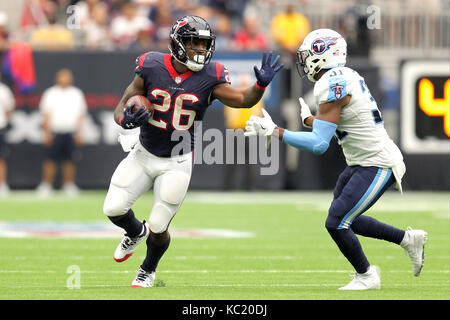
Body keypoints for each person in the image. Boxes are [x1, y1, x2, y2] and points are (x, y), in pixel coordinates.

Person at [102, 15, 282, 287]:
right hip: (144, 152)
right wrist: (125, 120)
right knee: (113, 208)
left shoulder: (211, 76)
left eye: (203, 44)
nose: (199, 49)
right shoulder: (151, 65)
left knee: (160, 225)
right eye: (193, 43)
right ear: (176, 43)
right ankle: (136, 231)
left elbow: (244, 100)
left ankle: (147, 270)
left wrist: (260, 86)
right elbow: (124, 103)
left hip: (177, 160)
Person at [244, 29, 427, 290]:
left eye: (308, 55)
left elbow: (319, 144)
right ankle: (408, 240)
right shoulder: (343, 76)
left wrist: (276, 131)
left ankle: (367, 276)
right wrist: (309, 120)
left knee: (337, 222)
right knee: (344, 217)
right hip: (361, 162)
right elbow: (335, 122)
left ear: (323, 55)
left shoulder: (331, 83)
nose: (304, 61)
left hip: (377, 162)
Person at [36, 69, 87, 196]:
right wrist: (47, 133)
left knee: (69, 160)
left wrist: (79, 133)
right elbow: (45, 115)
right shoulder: (50, 93)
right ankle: (47, 185)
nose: (64, 79)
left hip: (70, 132)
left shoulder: (77, 94)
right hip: (55, 131)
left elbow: (81, 115)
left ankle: (69, 185)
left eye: (67, 76)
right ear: (57, 78)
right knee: (50, 160)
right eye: (62, 76)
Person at [0, 78, 15, 196]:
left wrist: (4, 121)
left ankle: (2, 184)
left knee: (1, 157)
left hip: (0, 127)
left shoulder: (4, 90)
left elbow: (9, 109)